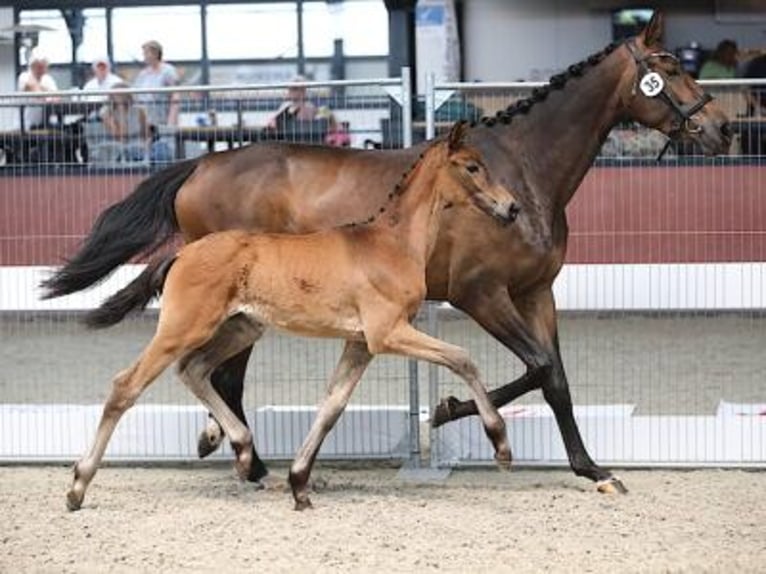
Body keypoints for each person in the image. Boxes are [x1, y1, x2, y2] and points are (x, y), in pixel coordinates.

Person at [132, 40, 179, 163]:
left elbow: (175, 95)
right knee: (146, 146)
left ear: (155, 53)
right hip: (145, 117)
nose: (144, 56)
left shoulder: (168, 71)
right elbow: (136, 94)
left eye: (146, 53)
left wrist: (171, 120)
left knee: (163, 147)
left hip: (162, 115)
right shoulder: (143, 74)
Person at [97, 83, 150, 163]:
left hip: (139, 148)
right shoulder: (106, 112)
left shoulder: (139, 110)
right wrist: (121, 109)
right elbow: (121, 138)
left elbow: (147, 134)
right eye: (117, 95)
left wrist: (145, 147)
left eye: (122, 94)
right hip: (116, 150)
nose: (120, 97)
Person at [16, 48, 58, 130]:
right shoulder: (24, 77)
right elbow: (35, 90)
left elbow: (57, 98)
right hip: (27, 125)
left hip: (47, 123)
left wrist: (46, 92)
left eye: (44, 66)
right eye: (39, 66)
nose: (42, 70)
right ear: (32, 66)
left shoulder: (48, 79)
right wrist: (46, 92)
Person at [740, 52, 766, 155]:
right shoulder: (757, 63)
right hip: (757, 109)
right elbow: (745, 88)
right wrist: (758, 107)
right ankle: (752, 166)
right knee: (751, 135)